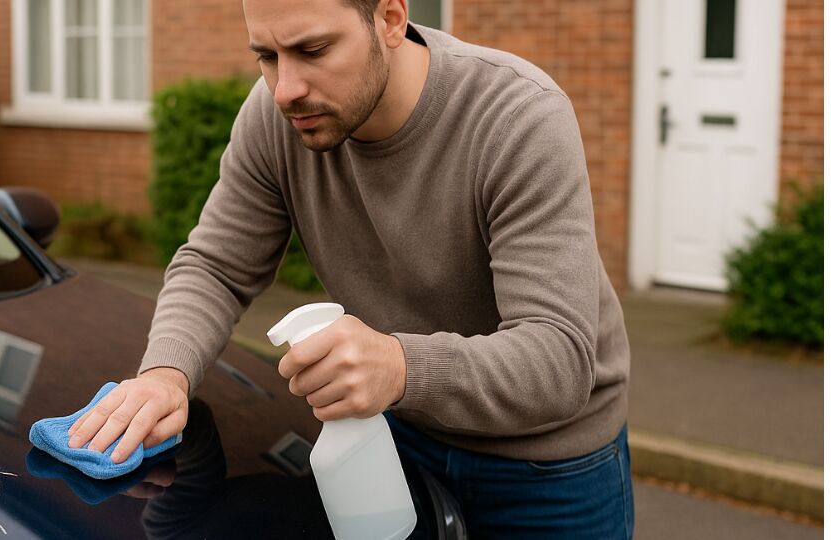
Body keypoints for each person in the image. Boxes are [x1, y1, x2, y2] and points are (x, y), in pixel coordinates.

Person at [67, 0, 633, 536]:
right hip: (395, 433)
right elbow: (215, 265)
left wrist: (400, 367)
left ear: (390, 18)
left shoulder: (517, 115)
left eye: (313, 50)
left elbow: (559, 359)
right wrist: (166, 374)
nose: (285, 89)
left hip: (547, 468)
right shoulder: (276, 117)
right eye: (267, 56)